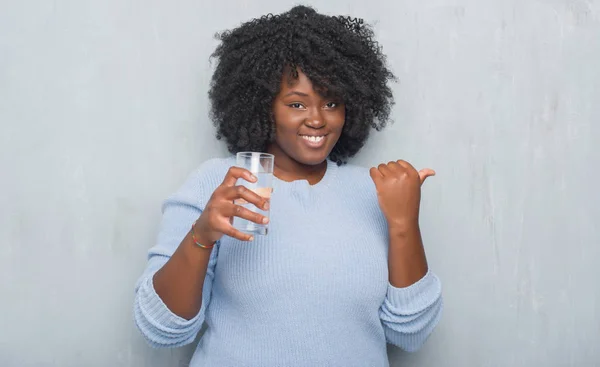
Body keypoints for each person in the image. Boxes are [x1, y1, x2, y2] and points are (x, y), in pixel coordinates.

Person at [133, 5, 443, 366]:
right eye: (297, 103)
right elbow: (160, 329)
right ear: (263, 106)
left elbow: (411, 333)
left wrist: (404, 223)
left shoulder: (375, 192)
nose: (317, 119)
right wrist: (201, 236)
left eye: (331, 102)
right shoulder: (216, 184)